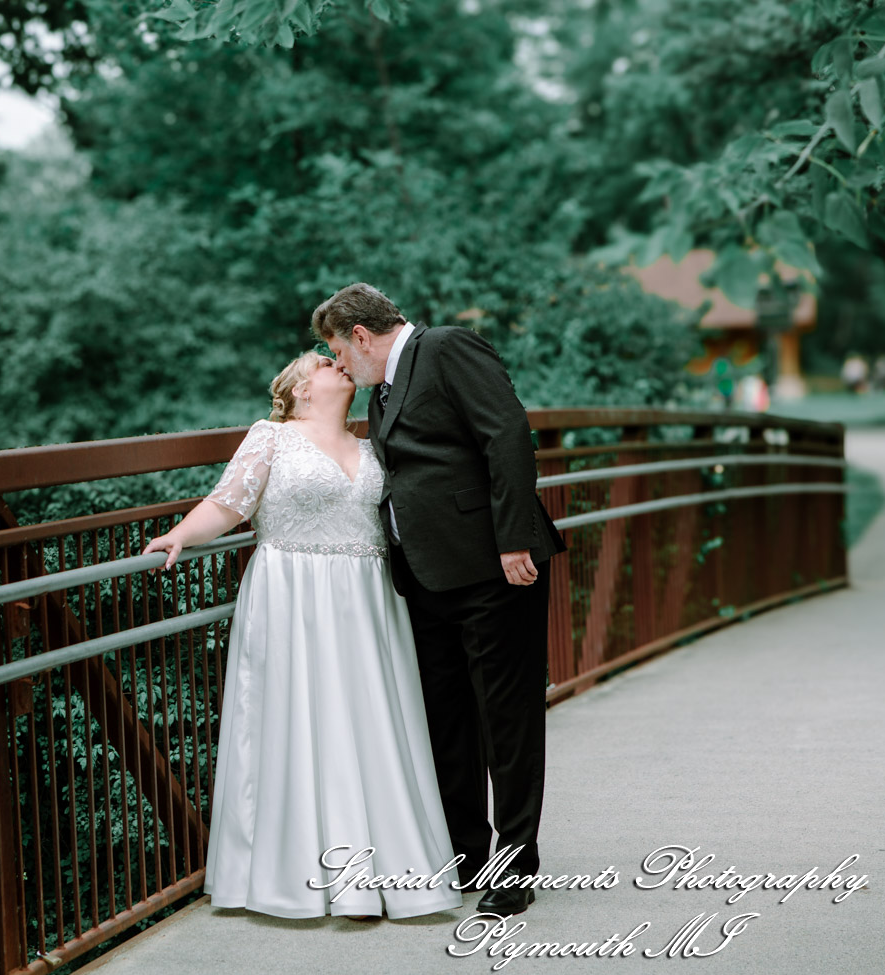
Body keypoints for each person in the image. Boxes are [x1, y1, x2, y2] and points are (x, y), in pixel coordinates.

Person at [142, 351, 462, 921]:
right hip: (292, 593)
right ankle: (303, 877)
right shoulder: (271, 437)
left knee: (372, 723)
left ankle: (384, 876)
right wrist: (179, 535)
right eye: (322, 361)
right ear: (297, 391)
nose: (338, 363)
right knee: (296, 723)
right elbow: (228, 503)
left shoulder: (372, 448)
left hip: (369, 601)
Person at [315, 283, 567, 917]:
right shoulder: (384, 388)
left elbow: (506, 435)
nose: (338, 365)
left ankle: (513, 871)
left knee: (506, 723)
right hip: (425, 579)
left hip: (493, 569)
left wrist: (514, 541)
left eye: (338, 351)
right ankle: (467, 857)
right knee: (447, 725)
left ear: (361, 336)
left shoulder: (448, 348)